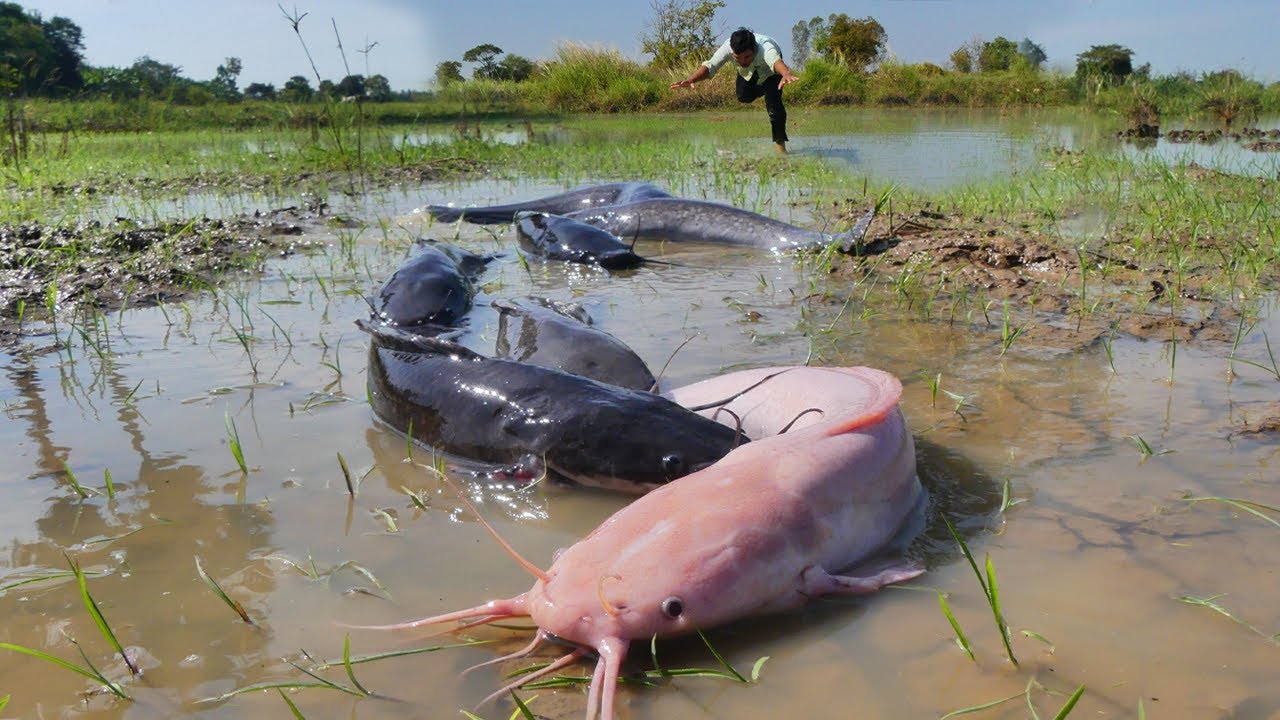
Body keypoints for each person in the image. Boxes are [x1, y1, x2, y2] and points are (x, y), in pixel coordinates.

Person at [670, 27, 799, 154]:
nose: (743, 61)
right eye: (738, 58)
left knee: (774, 107)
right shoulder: (728, 48)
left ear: (754, 49)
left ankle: (781, 151)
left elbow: (776, 62)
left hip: (772, 72)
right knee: (743, 96)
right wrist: (691, 79)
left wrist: (786, 74)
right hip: (748, 72)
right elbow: (710, 66)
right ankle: (766, 89)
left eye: (747, 57)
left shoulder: (766, 47)